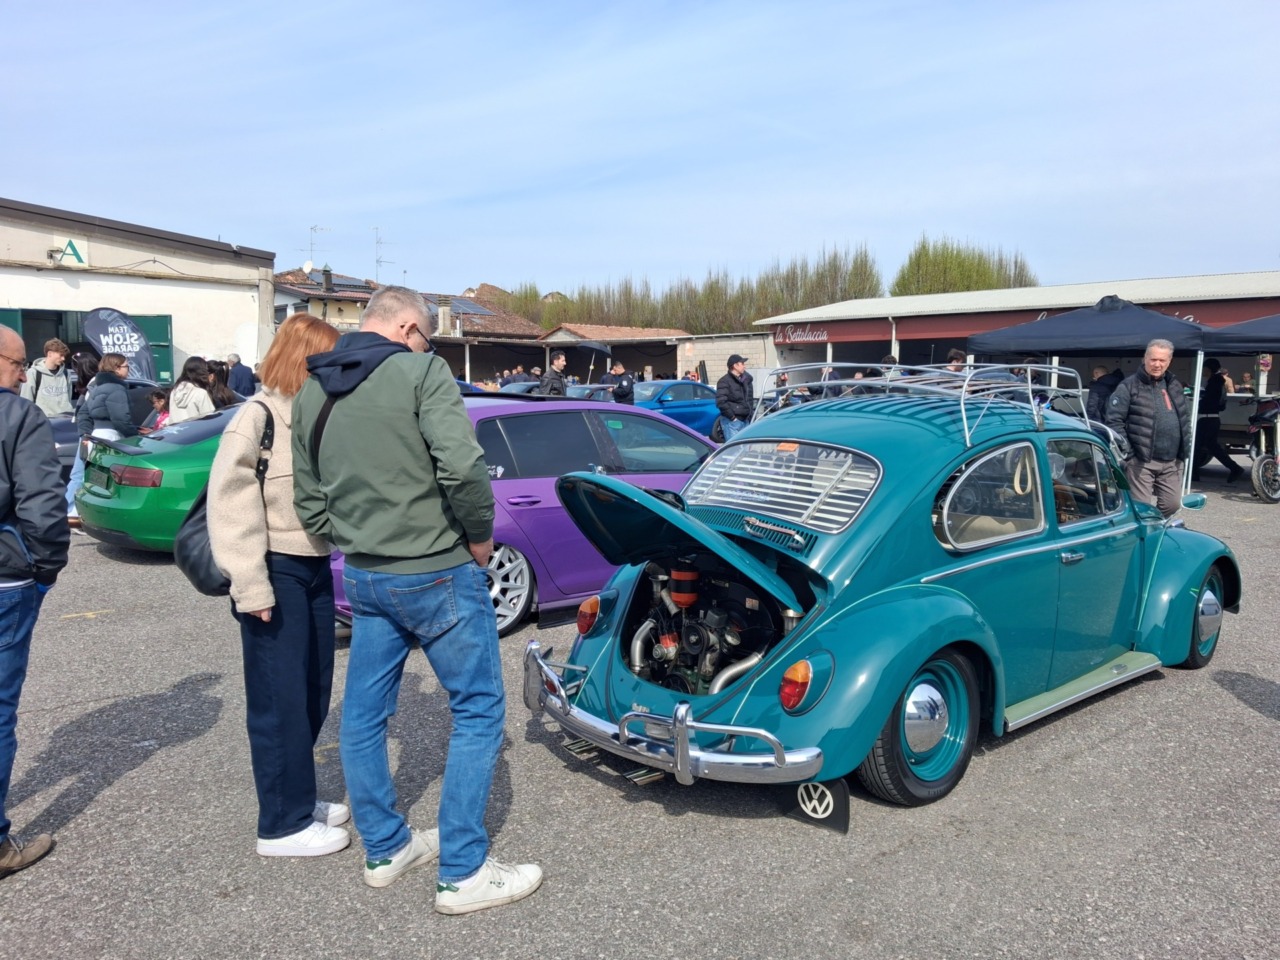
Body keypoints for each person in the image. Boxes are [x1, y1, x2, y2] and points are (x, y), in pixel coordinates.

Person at [292, 286, 541, 913]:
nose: (427, 346)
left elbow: (309, 493)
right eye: (426, 336)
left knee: (364, 713)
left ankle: (385, 848)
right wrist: (480, 538)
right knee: (480, 711)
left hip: (367, 576)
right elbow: (462, 468)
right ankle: (463, 871)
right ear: (407, 328)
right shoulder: (420, 371)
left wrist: (347, 538)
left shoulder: (314, 386)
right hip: (437, 570)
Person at [208, 314, 349, 858]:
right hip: (273, 569)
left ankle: (297, 794)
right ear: (305, 358)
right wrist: (251, 585)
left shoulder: (313, 414)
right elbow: (230, 504)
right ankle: (282, 825)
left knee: (312, 689)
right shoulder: (258, 415)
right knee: (278, 699)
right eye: (329, 358)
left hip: (312, 566)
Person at [0, 324, 70, 879]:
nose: (25, 375)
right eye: (18, 363)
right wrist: (45, 567)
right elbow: (42, 506)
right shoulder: (18, 416)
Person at [1105, 339, 1192, 517]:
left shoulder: (1174, 385)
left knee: (1172, 505)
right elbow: (1114, 421)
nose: (1157, 364)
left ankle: (1155, 525)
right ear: (1145, 358)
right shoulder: (1129, 386)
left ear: (1170, 361)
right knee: (1141, 509)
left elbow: (1184, 418)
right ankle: (1143, 537)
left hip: (1172, 461)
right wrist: (1129, 455)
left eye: (1162, 360)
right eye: (1153, 359)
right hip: (1141, 461)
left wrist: (1184, 450)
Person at [1191, 358, 1244, 483]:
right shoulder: (1219, 382)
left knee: (1200, 446)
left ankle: (1234, 468)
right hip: (1212, 418)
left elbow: (1210, 401)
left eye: (1204, 368)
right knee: (1207, 446)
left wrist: (1200, 401)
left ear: (1208, 369)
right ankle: (1194, 474)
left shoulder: (1214, 383)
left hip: (1207, 418)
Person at [64, 353, 100, 527]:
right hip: (89, 435)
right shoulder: (94, 385)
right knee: (80, 474)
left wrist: (85, 435)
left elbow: (85, 414)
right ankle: (68, 510)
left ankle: (68, 509)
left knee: (79, 474)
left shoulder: (93, 385)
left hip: (88, 436)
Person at [75, 353, 138, 441]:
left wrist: (85, 435)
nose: (129, 370)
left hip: (95, 436)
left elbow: (83, 414)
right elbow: (121, 419)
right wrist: (134, 436)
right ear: (117, 368)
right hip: (113, 437)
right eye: (126, 366)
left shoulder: (96, 387)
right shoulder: (116, 388)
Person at [19, 338, 73, 417]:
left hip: (66, 420)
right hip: (44, 421)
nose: (63, 359)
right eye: (61, 355)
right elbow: (26, 401)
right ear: (50, 353)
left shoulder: (65, 373)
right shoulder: (34, 373)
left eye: (64, 356)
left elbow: (69, 397)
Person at [715, 354, 754, 440]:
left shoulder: (746, 381)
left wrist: (750, 416)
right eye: (742, 363)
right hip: (732, 423)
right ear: (735, 366)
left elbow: (750, 400)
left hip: (746, 421)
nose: (745, 366)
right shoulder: (724, 381)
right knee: (734, 451)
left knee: (745, 450)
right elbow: (721, 402)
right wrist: (733, 418)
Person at [167, 358, 216, 424]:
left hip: (176, 432)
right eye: (206, 370)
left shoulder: (174, 391)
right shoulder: (200, 393)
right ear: (201, 372)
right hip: (196, 432)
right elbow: (210, 420)